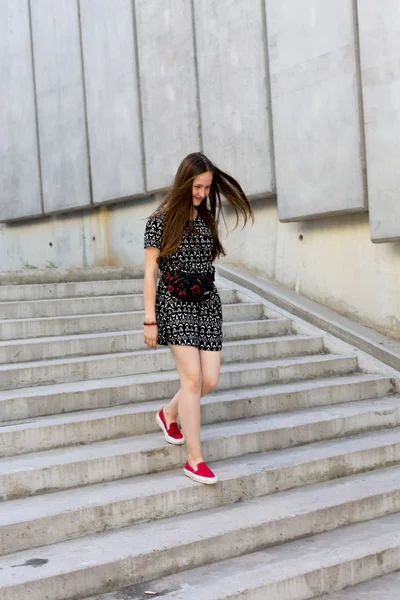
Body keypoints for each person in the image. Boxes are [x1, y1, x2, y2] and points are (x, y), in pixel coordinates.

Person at [143, 152, 253, 484]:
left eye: (206, 188)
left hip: (206, 302)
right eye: (197, 186)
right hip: (173, 301)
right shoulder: (159, 220)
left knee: (210, 380)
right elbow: (150, 272)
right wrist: (150, 320)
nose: (202, 193)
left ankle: (169, 413)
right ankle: (195, 459)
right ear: (184, 181)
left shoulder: (204, 219)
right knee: (191, 379)